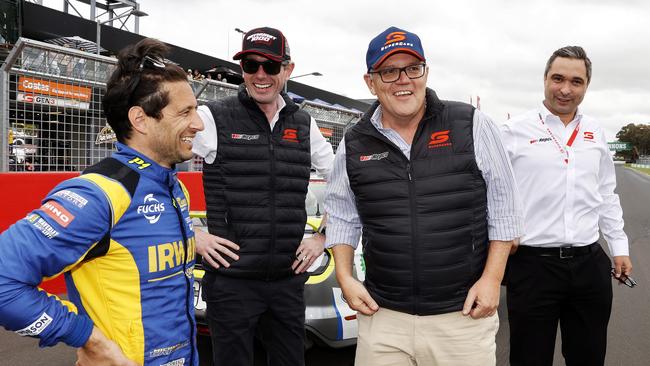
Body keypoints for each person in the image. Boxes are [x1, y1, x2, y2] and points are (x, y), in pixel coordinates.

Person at [324, 26, 522, 366]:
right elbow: (342, 214)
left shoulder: (472, 124)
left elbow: (506, 210)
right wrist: (344, 276)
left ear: (425, 72)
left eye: (412, 68)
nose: (403, 80)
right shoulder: (354, 142)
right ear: (370, 82)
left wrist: (492, 279)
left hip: (462, 319)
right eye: (389, 71)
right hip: (383, 318)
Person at [0, 38, 204, 366]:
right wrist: (86, 337)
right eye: (186, 112)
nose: (199, 123)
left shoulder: (174, 188)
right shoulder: (100, 194)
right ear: (140, 120)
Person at [191, 26, 334, 366]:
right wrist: (191, 233)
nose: (260, 75)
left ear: (288, 69)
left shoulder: (303, 123)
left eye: (270, 66)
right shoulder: (214, 117)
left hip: (286, 282)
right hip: (231, 283)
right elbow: (156, 162)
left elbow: (344, 182)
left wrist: (323, 237)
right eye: (250, 65)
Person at [500, 45, 633, 366]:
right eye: (558, 78)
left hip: (589, 265)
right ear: (545, 79)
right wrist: (504, 230)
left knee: (588, 357)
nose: (565, 89)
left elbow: (605, 194)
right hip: (533, 267)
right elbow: (493, 191)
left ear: (586, 86)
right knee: (529, 358)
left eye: (576, 81)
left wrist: (619, 246)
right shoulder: (512, 131)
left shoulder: (595, 132)